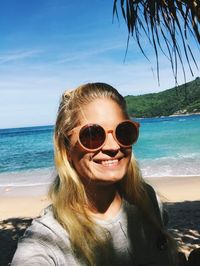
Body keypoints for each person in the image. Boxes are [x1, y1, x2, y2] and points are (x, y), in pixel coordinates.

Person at [12, 82, 177, 266]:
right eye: (93, 135)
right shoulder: (49, 239)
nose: (113, 146)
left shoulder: (148, 200)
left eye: (123, 132)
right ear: (66, 147)